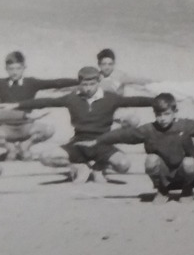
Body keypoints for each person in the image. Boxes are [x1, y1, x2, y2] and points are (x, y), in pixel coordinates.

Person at [87, 93, 194, 202]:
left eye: (166, 114)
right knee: (151, 160)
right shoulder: (149, 129)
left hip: (184, 171)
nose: (162, 118)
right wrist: (98, 141)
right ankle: (162, 190)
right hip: (164, 171)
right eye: (159, 115)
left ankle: (188, 190)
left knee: (190, 162)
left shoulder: (185, 125)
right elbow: (124, 135)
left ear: (175, 112)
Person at [14, 66, 157, 182]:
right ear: (79, 84)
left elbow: (135, 100)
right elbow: (46, 102)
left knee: (124, 165)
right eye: (85, 84)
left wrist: (159, 100)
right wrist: (18, 104)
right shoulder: (72, 98)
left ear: (98, 82)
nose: (88, 88)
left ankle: (99, 167)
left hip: (103, 144)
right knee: (45, 157)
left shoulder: (111, 98)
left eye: (92, 84)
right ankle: (79, 167)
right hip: (78, 143)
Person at [0, 52, 80, 162]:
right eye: (11, 69)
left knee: (49, 130)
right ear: (6, 69)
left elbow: (55, 83)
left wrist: (80, 80)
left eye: (18, 68)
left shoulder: (31, 83)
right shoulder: (0, 84)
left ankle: (25, 146)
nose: (15, 72)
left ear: (24, 67)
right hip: (6, 128)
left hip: (27, 126)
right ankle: (10, 148)